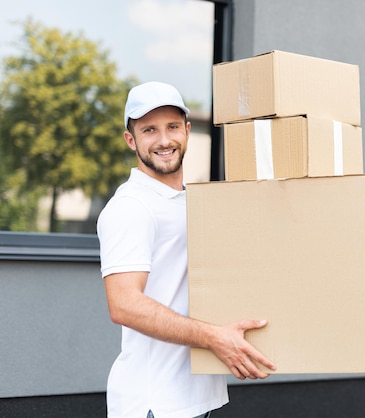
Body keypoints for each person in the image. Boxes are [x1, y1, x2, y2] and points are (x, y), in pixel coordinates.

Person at [97, 81, 276, 418]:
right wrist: (213, 337)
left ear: (188, 131)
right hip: (155, 403)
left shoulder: (192, 203)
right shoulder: (131, 207)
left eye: (172, 127)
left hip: (193, 397)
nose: (164, 140)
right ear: (130, 140)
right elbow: (124, 305)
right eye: (149, 130)